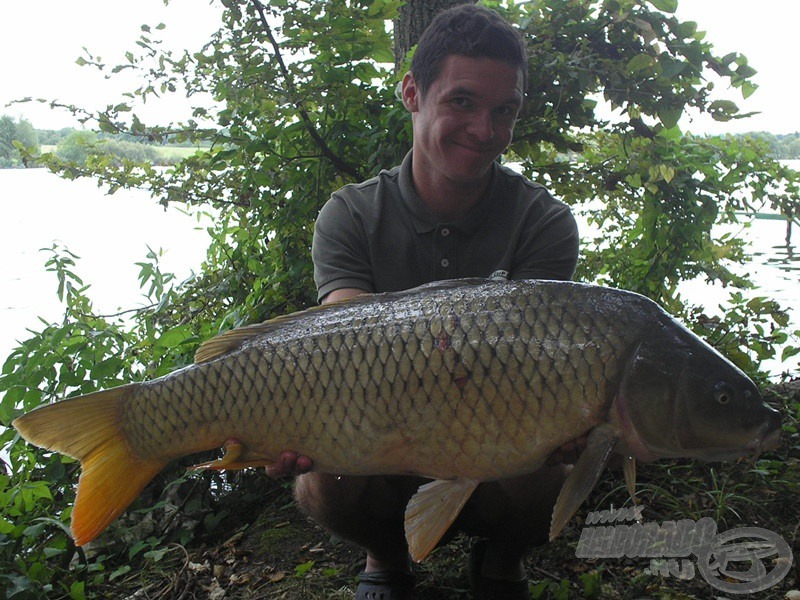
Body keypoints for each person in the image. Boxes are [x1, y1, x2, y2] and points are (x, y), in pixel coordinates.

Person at [273, 5, 581, 599]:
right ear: (413, 92)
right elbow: (345, 345)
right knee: (320, 480)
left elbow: (548, 369)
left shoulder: (544, 222)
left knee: (560, 465)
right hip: (380, 439)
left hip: (498, 443)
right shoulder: (351, 215)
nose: (485, 130)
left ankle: (501, 560)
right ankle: (385, 557)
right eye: (462, 102)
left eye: (505, 111)